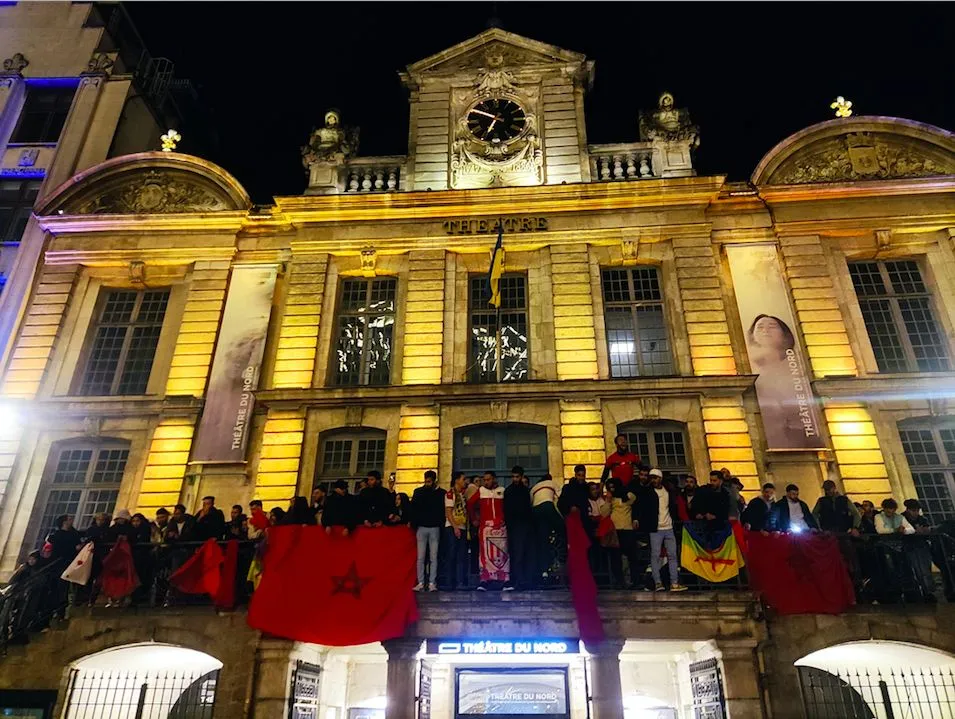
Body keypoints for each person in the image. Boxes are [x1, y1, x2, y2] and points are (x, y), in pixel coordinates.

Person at [636, 469, 687, 592]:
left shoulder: (668, 491)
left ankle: (674, 583)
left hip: (669, 526)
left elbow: (673, 507)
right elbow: (641, 507)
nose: (654, 480)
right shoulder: (648, 492)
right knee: (655, 556)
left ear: (660, 478)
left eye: (656, 477)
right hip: (656, 528)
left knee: (672, 555)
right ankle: (658, 583)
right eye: (652, 478)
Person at [467, 471, 509, 591]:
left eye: (488, 479)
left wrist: (505, 519)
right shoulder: (481, 491)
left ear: (494, 479)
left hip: (500, 527)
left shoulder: (502, 491)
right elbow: (470, 504)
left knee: (503, 553)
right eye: (484, 480)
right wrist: (474, 519)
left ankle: (504, 579)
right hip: (485, 527)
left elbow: (508, 507)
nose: (486, 482)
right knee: (484, 554)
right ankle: (484, 580)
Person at [411, 470, 445, 591]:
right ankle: (421, 582)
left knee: (433, 557)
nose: (427, 484)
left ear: (434, 481)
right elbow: (413, 509)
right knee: (421, 557)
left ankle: (431, 582)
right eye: (426, 481)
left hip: (434, 527)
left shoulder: (440, 493)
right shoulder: (420, 492)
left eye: (429, 481)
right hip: (423, 527)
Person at [503, 466, 534, 590]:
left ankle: (522, 580)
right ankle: (519, 580)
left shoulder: (521, 491)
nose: (515, 479)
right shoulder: (511, 491)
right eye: (513, 476)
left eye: (517, 477)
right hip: (516, 526)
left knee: (522, 553)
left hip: (522, 526)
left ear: (521, 477)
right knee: (517, 554)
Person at [531, 473, 565, 583]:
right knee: (563, 529)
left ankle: (543, 570)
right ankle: (564, 548)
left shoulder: (534, 488)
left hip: (536, 510)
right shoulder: (551, 483)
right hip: (547, 506)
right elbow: (560, 497)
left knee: (542, 539)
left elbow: (531, 501)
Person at [604, 477, 636, 588]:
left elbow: (635, 502)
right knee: (616, 557)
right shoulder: (609, 499)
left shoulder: (629, 496)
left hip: (627, 529)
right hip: (615, 530)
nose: (612, 490)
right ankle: (619, 580)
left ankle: (632, 579)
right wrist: (608, 501)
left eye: (613, 487)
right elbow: (604, 513)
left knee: (630, 556)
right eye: (610, 488)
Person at [442, 473, 470, 591]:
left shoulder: (462, 495)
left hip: (462, 527)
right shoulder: (450, 494)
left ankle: (460, 581)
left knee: (461, 556)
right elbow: (448, 512)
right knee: (452, 555)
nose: (465, 481)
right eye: (463, 479)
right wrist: (455, 527)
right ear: (457, 480)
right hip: (452, 527)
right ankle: (449, 582)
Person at [558, 465, 593, 534]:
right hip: (573, 520)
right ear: (575, 475)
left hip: (584, 520)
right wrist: (570, 508)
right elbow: (561, 503)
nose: (581, 478)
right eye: (579, 475)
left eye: (583, 475)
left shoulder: (586, 488)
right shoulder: (568, 488)